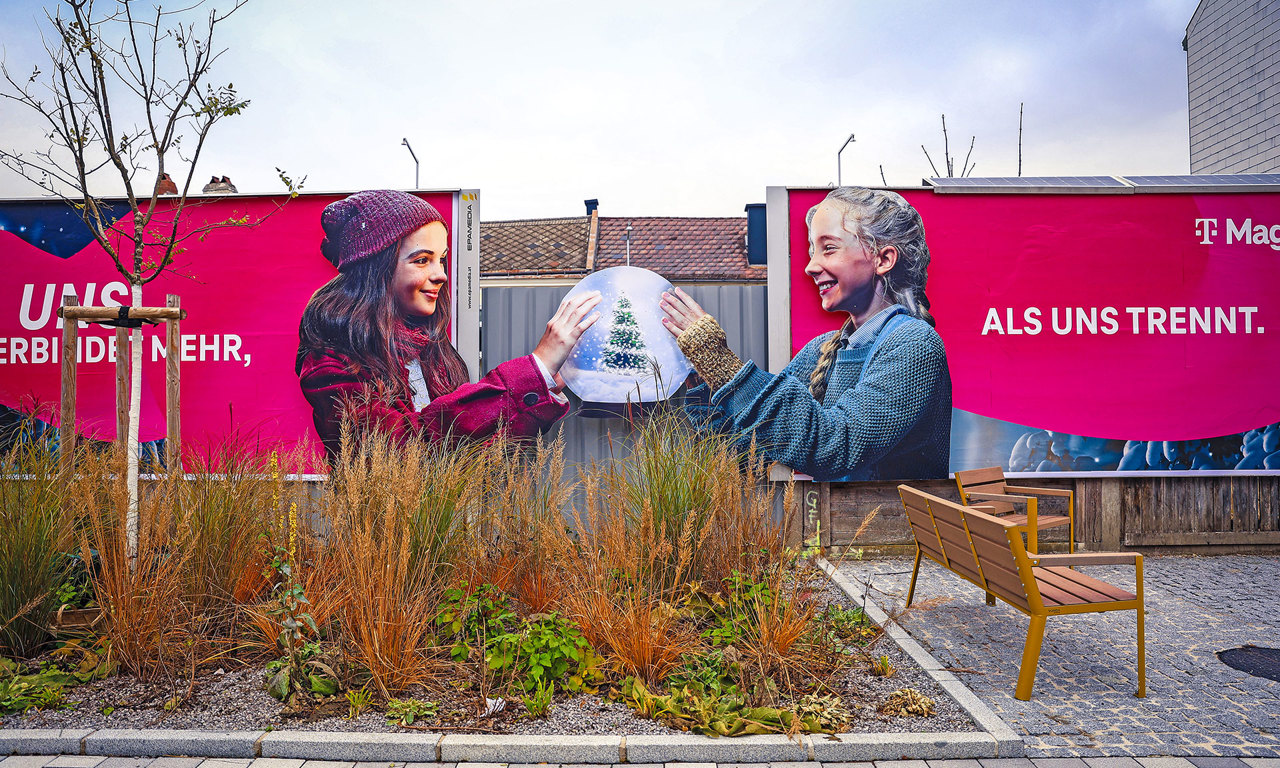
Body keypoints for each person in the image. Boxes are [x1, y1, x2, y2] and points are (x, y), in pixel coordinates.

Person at [660, 187, 950, 481]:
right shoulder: (822, 349)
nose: (810, 267)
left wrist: (722, 362)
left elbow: (835, 448)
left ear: (883, 259)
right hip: (827, 526)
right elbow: (750, 455)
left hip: (895, 527)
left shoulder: (914, 344)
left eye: (829, 248)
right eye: (813, 251)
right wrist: (703, 379)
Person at [296, 190, 600, 456]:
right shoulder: (331, 363)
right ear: (376, 268)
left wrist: (540, 384)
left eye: (441, 258)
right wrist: (530, 371)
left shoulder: (427, 347)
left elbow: (475, 450)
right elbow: (405, 448)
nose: (441, 274)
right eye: (421, 260)